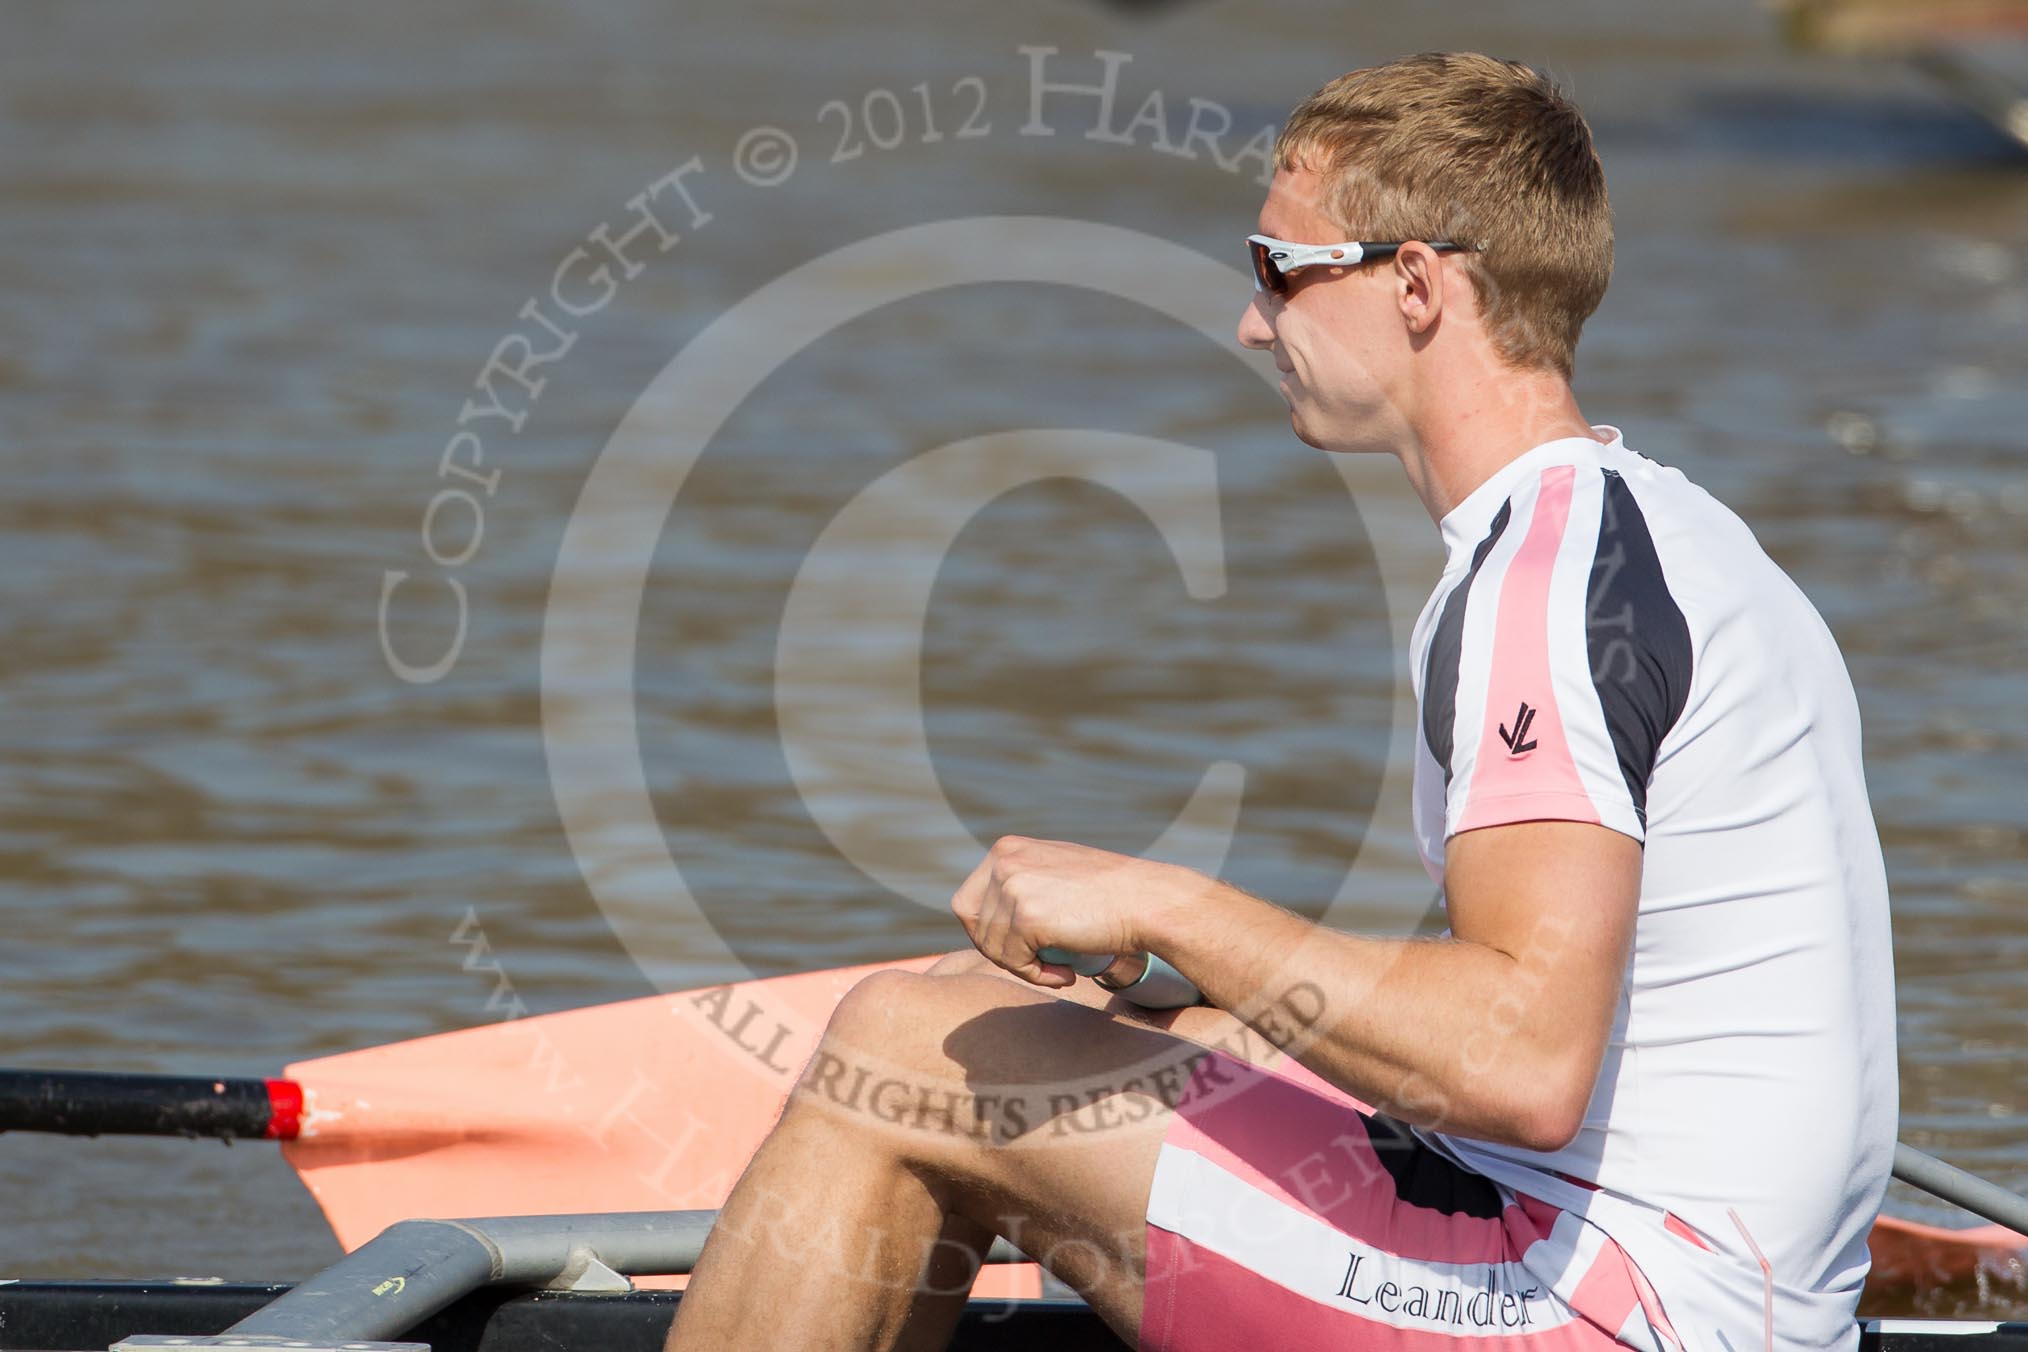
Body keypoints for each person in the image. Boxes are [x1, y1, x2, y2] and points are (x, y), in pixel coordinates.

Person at [664, 51, 1896, 1352]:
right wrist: (1192, 988)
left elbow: (1520, 1064)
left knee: (900, 1049)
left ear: (1416, 285)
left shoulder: (1541, 593)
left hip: (1611, 1310)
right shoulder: (1662, 529)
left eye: (1278, 272)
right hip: (1694, 1277)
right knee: (1043, 1023)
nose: (1254, 325)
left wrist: (1170, 901)